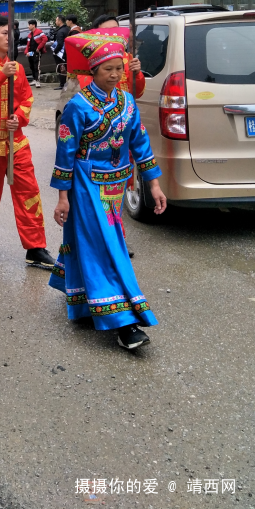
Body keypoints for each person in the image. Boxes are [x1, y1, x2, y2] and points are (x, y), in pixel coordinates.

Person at [49, 31, 166, 350]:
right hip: (86, 185)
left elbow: (139, 143)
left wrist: (153, 184)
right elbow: (65, 153)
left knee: (93, 242)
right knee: (107, 246)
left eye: (119, 68)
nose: (114, 74)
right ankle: (125, 320)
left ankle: (83, 298)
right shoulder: (77, 106)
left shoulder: (128, 102)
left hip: (116, 186)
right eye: (107, 69)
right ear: (93, 71)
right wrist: (62, 196)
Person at [0, 15, 55, 268]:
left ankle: (35, 247)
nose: (9, 37)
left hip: (16, 142)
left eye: (12, 33)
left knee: (29, 193)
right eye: (5, 33)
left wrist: (19, 117)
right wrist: (0, 76)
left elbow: (27, 98)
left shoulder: (15, 65)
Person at [24, 19, 48, 88]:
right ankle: (34, 79)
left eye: (29, 25)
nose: (28, 26)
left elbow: (45, 39)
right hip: (31, 52)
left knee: (36, 66)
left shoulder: (39, 32)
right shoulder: (29, 34)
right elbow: (28, 45)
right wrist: (26, 52)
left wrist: (39, 48)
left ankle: (38, 81)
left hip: (36, 52)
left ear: (33, 25)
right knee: (31, 66)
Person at [52, 15, 69, 90]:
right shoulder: (67, 29)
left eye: (56, 20)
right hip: (67, 52)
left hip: (61, 53)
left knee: (61, 68)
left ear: (60, 21)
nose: (56, 22)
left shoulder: (60, 31)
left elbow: (60, 44)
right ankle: (65, 84)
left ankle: (62, 84)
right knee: (65, 68)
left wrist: (55, 52)